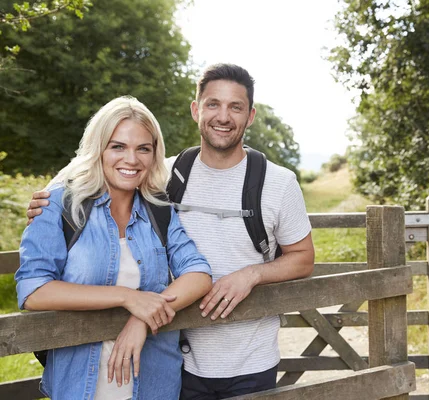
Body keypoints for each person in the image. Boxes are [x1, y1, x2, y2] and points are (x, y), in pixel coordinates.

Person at [27, 63, 315, 399]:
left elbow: (303, 258)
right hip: (181, 358)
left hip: (247, 359)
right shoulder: (166, 175)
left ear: (250, 116)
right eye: (213, 104)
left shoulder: (277, 183)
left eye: (235, 107)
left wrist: (251, 274)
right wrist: (48, 199)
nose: (223, 116)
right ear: (196, 110)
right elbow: (101, 167)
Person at [17, 96, 213, 400]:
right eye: (118, 146)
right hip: (80, 386)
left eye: (143, 149)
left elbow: (199, 274)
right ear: (99, 149)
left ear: (154, 154)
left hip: (154, 385)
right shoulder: (59, 205)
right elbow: (33, 290)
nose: (131, 160)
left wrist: (142, 318)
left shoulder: (158, 210)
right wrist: (127, 298)